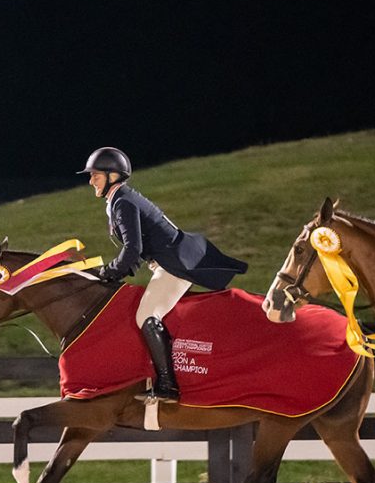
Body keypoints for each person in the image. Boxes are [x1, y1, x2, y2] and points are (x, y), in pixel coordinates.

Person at [78, 147, 248, 403]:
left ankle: (168, 386)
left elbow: (132, 248)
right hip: (166, 263)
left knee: (146, 315)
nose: (91, 180)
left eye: (95, 175)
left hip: (175, 265)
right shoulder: (120, 198)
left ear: (113, 175)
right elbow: (138, 247)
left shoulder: (123, 201)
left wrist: (109, 271)